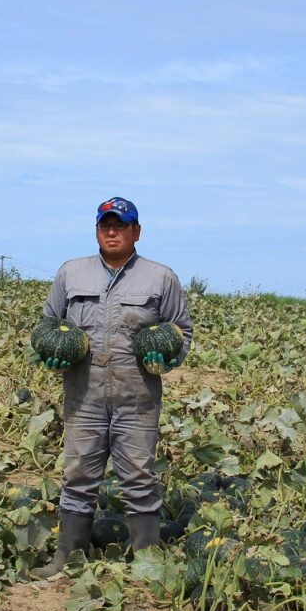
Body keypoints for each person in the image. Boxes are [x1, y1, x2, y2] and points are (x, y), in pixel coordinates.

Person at [31, 196, 192, 578]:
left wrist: (170, 357)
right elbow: (48, 323)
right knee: (78, 476)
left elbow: (181, 331)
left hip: (137, 396)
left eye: (120, 225)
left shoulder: (160, 277)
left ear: (136, 231)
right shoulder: (71, 273)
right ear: (97, 229)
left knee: (138, 476)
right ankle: (66, 558)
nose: (112, 231)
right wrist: (49, 352)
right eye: (106, 224)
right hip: (83, 395)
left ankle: (148, 562)